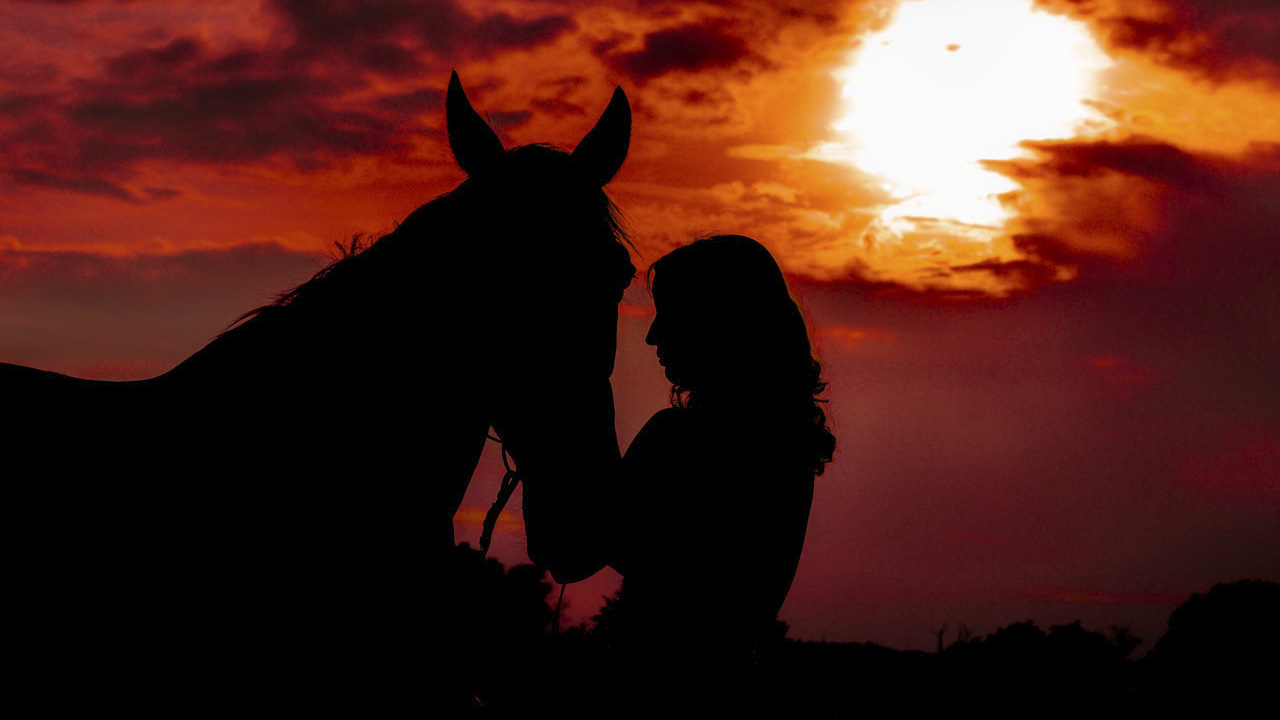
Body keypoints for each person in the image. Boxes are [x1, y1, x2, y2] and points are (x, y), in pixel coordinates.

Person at [607, 234, 836, 709]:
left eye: (669, 315)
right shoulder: (786, 446)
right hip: (734, 691)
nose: (652, 336)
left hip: (651, 693)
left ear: (716, 323)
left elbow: (576, 543)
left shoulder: (676, 438)